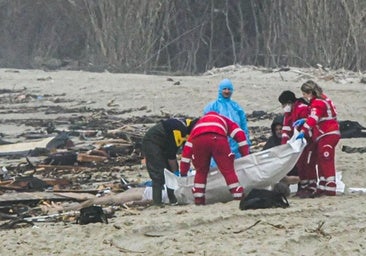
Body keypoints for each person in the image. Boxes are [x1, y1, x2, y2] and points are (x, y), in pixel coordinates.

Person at [179, 111, 250, 205]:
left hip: (199, 141)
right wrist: (245, 155)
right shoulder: (223, 119)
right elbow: (239, 134)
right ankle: (237, 195)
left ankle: (199, 199)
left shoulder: (197, 127)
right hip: (218, 138)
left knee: (200, 171)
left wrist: (184, 172)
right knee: (228, 170)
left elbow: (187, 151)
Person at [294, 80, 340, 196]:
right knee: (320, 158)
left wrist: (303, 131)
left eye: (304, 94)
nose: (304, 97)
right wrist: (305, 120)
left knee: (326, 158)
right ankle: (323, 183)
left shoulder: (318, 103)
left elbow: (314, 119)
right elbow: (319, 116)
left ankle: (330, 185)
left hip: (328, 133)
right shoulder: (322, 100)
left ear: (309, 92)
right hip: (323, 134)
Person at [141, 117, 197, 206]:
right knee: (158, 174)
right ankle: (157, 202)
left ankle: (173, 200)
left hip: (165, 144)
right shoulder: (179, 130)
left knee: (169, 174)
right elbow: (171, 155)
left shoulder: (187, 129)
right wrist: (176, 171)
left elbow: (185, 152)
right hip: (152, 142)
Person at [278, 90, 317, 198]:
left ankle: (312, 187)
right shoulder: (289, 113)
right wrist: (284, 146)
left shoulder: (302, 108)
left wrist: (304, 135)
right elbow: (286, 130)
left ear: (289, 102)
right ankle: (303, 187)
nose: (283, 107)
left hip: (308, 141)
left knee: (308, 164)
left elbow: (309, 124)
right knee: (301, 164)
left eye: (284, 104)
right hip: (298, 144)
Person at [204, 79, 251, 166]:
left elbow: (243, 124)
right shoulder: (212, 106)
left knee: (238, 165)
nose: (227, 91)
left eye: (229, 89)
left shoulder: (236, 106)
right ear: (220, 90)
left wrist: (246, 139)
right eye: (224, 89)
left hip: (236, 142)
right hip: (219, 141)